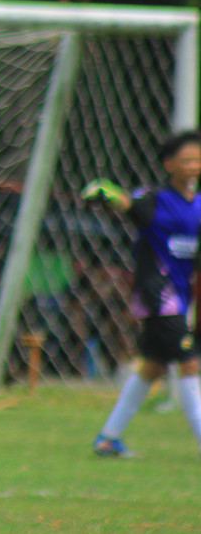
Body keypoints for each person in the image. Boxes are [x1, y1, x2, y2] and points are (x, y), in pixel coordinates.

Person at [85, 131, 201, 457]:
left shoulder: (198, 205)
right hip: (158, 293)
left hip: (179, 295)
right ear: (169, 164)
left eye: (198, 159)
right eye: (187, 159)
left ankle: (108, 438)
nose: (194, 165)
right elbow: (126, 203)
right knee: (190, 363)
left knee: (153, 366)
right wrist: (105, 193)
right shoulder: (155, 200)